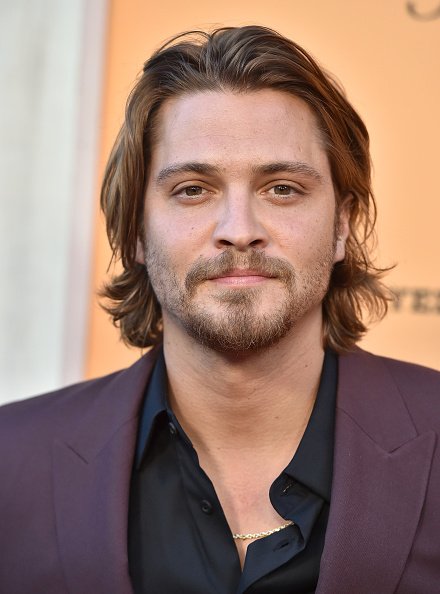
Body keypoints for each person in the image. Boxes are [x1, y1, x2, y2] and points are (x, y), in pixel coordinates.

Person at [0, 25, 439, 594]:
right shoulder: (12, 463)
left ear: (342, 226)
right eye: (192, 190)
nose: (239, 232)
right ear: (135, 227)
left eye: (281, 188)